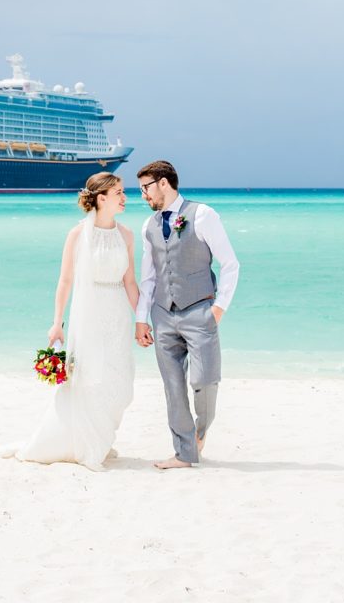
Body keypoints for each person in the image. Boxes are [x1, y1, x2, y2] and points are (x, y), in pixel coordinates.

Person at [0, 173, 139, 471]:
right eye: (118, 192)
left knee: (119, 381)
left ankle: (100, 436)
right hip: (87, 314)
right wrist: (56, 322)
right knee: (87, 379)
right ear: (101, 198)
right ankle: (86, 444)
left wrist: (142, 319)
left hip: (117, 313)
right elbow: (65, 281)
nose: (125, 197)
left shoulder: (126, 235)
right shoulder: (77, 235)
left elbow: (129, 281)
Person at [135, 160, 240, 469]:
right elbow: (149, 277)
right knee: (172, 385)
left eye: (146, 187)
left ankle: (200, 432)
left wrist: (219, 307)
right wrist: (142, 318)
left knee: (205, 379)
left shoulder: (203, 215)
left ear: (164, 183)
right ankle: (183, 453)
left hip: (200, 310)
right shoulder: (148, 225)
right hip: (162, 315)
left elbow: (230, 264)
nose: (143, 195)